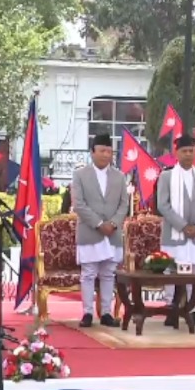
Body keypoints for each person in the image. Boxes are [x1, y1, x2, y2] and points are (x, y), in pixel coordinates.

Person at [71, 133, 128, 328]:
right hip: (90, 231)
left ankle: (106, 313)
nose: (106, 155)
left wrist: (113, 223)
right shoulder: (80, 175)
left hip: (112, 233)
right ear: (92, 152)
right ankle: (87, 313)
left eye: (109, 152)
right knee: (88, 273)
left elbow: (123, 205)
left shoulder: (119, 176)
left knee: (108, 273)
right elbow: (78, 204)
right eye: (102, 151)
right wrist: (98, 223)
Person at [156, 135, 195, 327]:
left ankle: (192, 309)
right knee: (171, 271)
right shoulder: (166, 176)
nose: (188, 154)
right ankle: (170, 309)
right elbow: (163, 205)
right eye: (184, 151)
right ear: (176, 153)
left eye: (191, 151)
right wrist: (182, 226)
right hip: (174, 234)